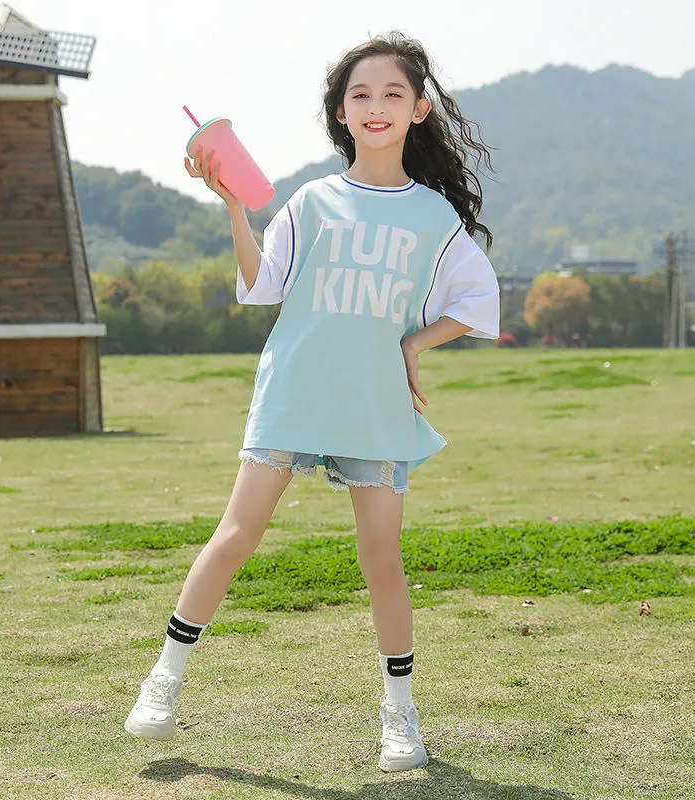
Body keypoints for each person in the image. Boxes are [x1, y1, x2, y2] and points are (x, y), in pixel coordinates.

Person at [124, 31, 500, 773]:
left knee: (381, 557)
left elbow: (476, 301)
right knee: (236, 536)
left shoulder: (433, 217)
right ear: (340, 112)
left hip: (373, 401)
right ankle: (162, 682)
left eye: (392, 93)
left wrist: (413, 345)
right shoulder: (313, 201)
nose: (376, 105)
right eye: (360, 94)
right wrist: (234, 207)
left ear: (419, 109)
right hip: (294, 389)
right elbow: (262, 284)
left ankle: (400, 716)